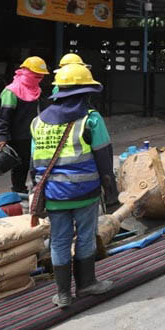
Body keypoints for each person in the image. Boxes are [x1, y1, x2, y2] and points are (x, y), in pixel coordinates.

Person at [31, 63, 119, 308]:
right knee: (85, 236)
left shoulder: (37, 122)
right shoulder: (91, 120)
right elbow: (104, 158)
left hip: (53, 195)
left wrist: (36, 190)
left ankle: (62, 294)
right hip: (85, 193)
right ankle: (86, 284)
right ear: (84, 93)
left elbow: (34, 163)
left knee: (59, 241)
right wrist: (110, 192)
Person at [0, 56, 49, 194]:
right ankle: (19, 192)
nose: (39, 78)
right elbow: (4, 116)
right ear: (25, 71)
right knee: (20, 166)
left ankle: (37, 192)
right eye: (36, 75)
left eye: (41, 76)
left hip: (37, 135)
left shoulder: (37, 90)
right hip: (19, 136)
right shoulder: (11, 91)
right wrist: (2, 136)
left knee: (37, 164)